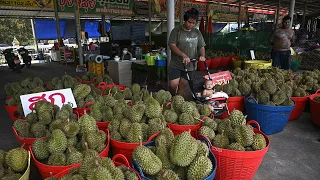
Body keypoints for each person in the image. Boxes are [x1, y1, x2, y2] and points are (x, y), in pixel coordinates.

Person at [168, 8, 206, 96]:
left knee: (182, 85)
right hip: (176, 63)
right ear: (185, 20)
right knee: (173, 84)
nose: (191, 25)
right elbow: (172, 45)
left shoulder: (197, 32)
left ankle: (179, 103)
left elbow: (201, 46)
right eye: (189, 22)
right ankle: (171, 98)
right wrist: (183, 55)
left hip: (190, 65)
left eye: (193, 23)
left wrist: (202, 55)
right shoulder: (176, 31)